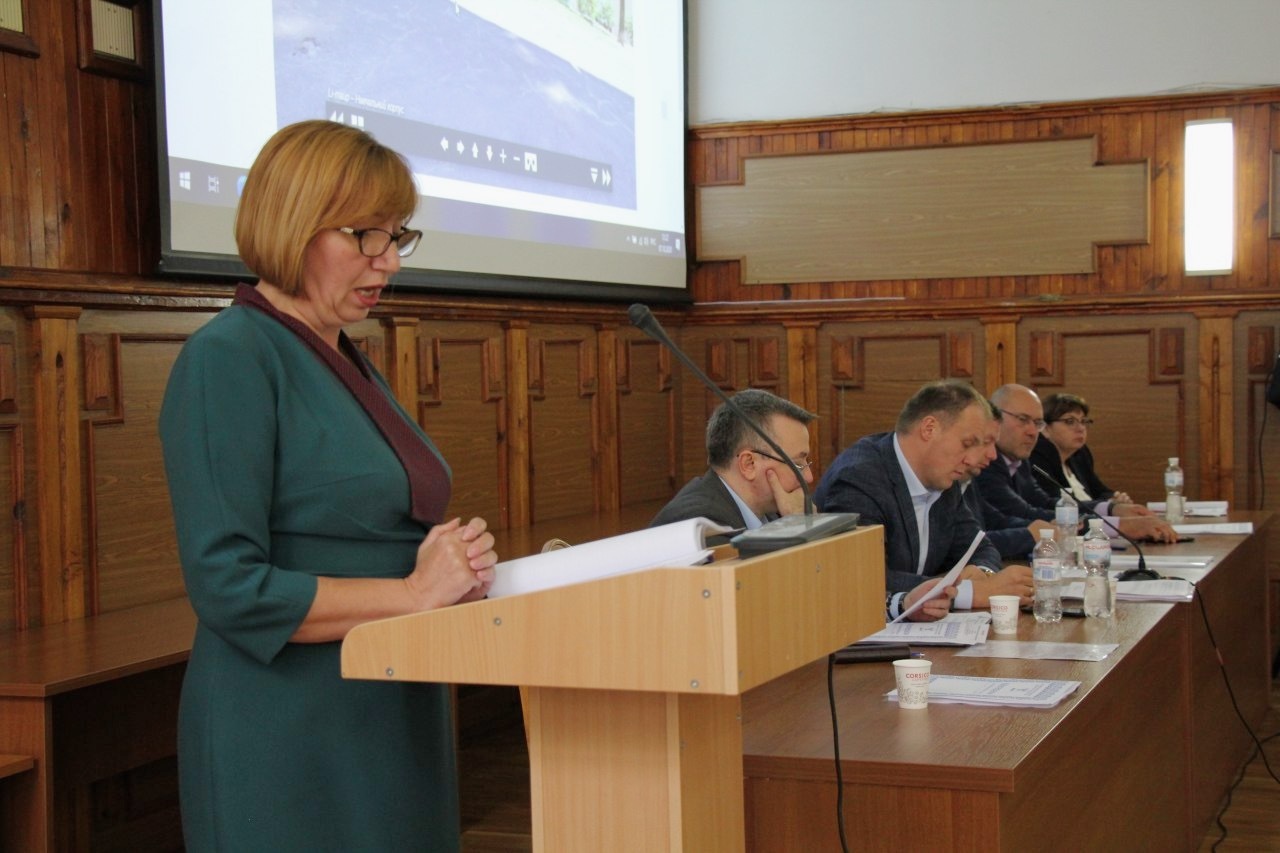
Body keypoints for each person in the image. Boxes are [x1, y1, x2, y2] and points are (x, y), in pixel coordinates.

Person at [159, 120, 498, 852]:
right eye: (366, 235)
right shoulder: (229, 356)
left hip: (384, 706)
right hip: (289, 726)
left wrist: (450, 571)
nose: (388, 260)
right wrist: (414, 591)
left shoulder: (339, 355)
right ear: (294, 223)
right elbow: (229, 587)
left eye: (396, 237)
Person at [651, 389, 953, 621]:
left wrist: (903, 604)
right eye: (797, 463)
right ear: (749, 464)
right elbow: (767, 612)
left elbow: (834, 590)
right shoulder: (699, 525)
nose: (808, 477)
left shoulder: (774, 510)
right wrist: (800, 532)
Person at [816, 380, 1035, 611]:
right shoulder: (859, 477)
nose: (972, 459)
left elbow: (981, 548)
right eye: (967, 444)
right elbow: (863, 578)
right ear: (929, 429)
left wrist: (984, 573)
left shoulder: (942, 477)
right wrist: (969, 593)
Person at [977, 384, 1176, 542]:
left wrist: (1111, 509)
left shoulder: (1019, 459)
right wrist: (1116, 525)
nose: (1032, 432)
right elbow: (1022, 514)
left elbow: (1045, 503)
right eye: (1023, 419)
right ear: (994, 417)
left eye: (1037, 423)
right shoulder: (986, 464)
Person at [960, 400, 1055, 560]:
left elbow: (994, 520)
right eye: (985, 442)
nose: (993, 455)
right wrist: (1029, 535)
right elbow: (963, 546)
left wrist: (1040, 529)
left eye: (1038, 423)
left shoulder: (965, 478)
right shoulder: (967, 472)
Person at [1031, 392, 1138, 505]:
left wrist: (1115, 499)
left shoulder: (1080, 454)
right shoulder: (1036, 460)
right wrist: (1107, 507)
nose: (1081, 428)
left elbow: (1100, 490)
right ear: (1045, 428)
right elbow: (1056, 504)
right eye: (1070, 421)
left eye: (1083, 421)